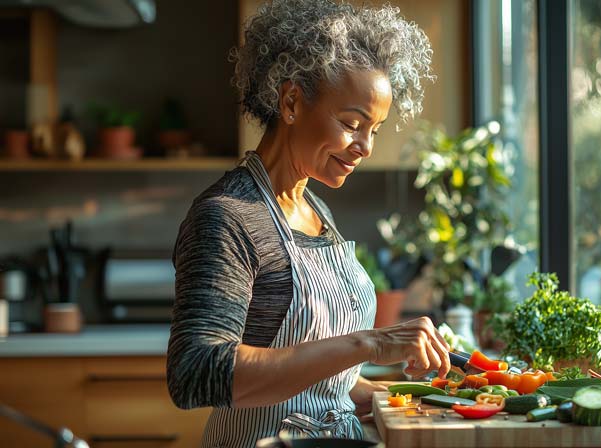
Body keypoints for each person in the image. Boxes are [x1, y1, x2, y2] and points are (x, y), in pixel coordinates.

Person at [166, 1, 450, 446]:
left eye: (374, 130)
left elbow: (318, 385)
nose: (365, 147)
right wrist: (370, 345)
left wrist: (396, 396)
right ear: (291, 101)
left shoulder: (319, 214)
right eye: (353, 124)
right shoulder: (227, 217)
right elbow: (196, 374)